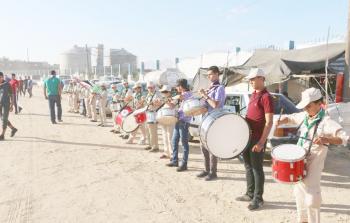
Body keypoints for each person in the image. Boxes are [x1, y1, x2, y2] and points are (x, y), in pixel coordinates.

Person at [277, 88, 349, 223]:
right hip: (300, 161)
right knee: (299, 195)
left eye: (308, 106)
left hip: (314, 163)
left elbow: (343, 138)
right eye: (304, 107)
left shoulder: (326, 122)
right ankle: (302, 220)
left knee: (312, 199)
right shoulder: (304, 116)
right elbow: (291, 118)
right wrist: (282, 120)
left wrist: (326, 140)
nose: (306, 109)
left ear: (319, 104)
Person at [235, 68, 274, 210]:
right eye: (250, 79)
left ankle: (258, 199)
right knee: (248, 166)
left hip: (257, 139)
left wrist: (261, 142)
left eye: (253, 79)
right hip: (247, 137)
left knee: (257, 169)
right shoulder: (253, 95)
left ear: (261, 78)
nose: (250, 81)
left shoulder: (266, 97)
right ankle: (250, 193)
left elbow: (269, 122)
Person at [197, 66, 226, 181]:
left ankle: (213, 172)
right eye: (208, 75)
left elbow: (215, 105)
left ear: (217, 74)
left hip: (215, 120)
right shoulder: (210, 88)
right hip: (206, 120)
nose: (208, 77)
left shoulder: (220, 88)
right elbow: (206, 105)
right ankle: (206, 170)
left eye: (210, 74)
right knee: (203, 146)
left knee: (212, 146)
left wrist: (205, 95)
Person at [166, 79, 192, 171]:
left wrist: (172, 97)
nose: (176, 88)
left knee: (184, 144)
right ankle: (175, 160)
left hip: (184, 121)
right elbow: (172, 106)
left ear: (181, 86)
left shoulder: (187, 94)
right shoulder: (180, 96)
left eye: (177, 86)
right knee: (174, 141)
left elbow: (180, 96)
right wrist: (167, 101)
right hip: (178, 120)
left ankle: (184, 164)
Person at [144, 81, 161, 152]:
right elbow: (146, 103)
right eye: (148, 87)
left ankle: (155, 146)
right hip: (148, 113)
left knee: (153, 131)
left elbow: (159, 103)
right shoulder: (148, 94)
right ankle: (150, 144)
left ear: (154, 87)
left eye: (151, 87)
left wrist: (153, 103)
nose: (150, 89)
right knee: (147, 130)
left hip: (153, 114)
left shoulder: (157, 94)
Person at [158, 85, 175, 159]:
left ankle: (172, 154)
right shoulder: (163, 98)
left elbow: (172, 106)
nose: (164, 93)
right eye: (163, 92)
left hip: (171, 118)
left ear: (169, 92)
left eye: (165, 92)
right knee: (164, 136)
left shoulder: (174, 98)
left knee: (170, 136)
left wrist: (167, 102)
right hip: (163, 118)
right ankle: (166, 152)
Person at [0, 72, 18, 140]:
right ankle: (13, 129)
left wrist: (12, 105)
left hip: (6, 104)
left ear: (2, 77)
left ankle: (2, 135)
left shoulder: (7, 84)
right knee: (3, 119)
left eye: (0, 77)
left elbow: (12, 95)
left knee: (4, 119)